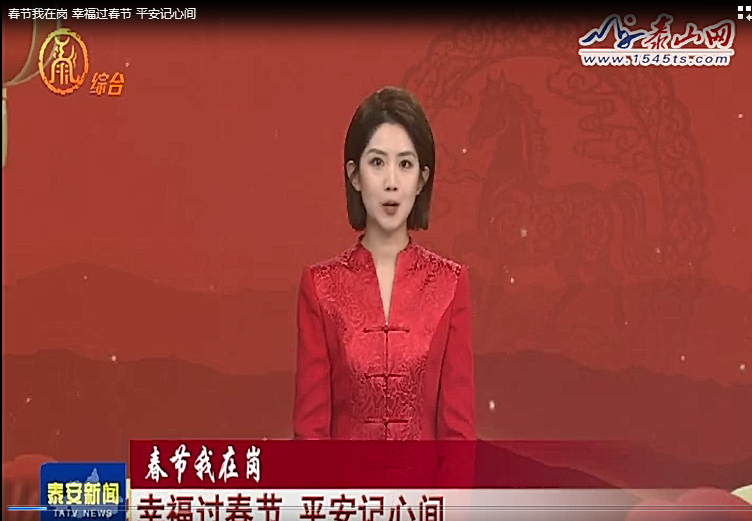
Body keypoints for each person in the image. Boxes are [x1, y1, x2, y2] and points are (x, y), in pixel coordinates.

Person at [293, 86, 476, 441]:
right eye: (377, 163)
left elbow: (459, 436)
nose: (391, 182)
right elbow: (309, 435)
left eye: (405, 164)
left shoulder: (451, 284)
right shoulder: (320, 287)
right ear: (354, 175)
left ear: (422, 179)